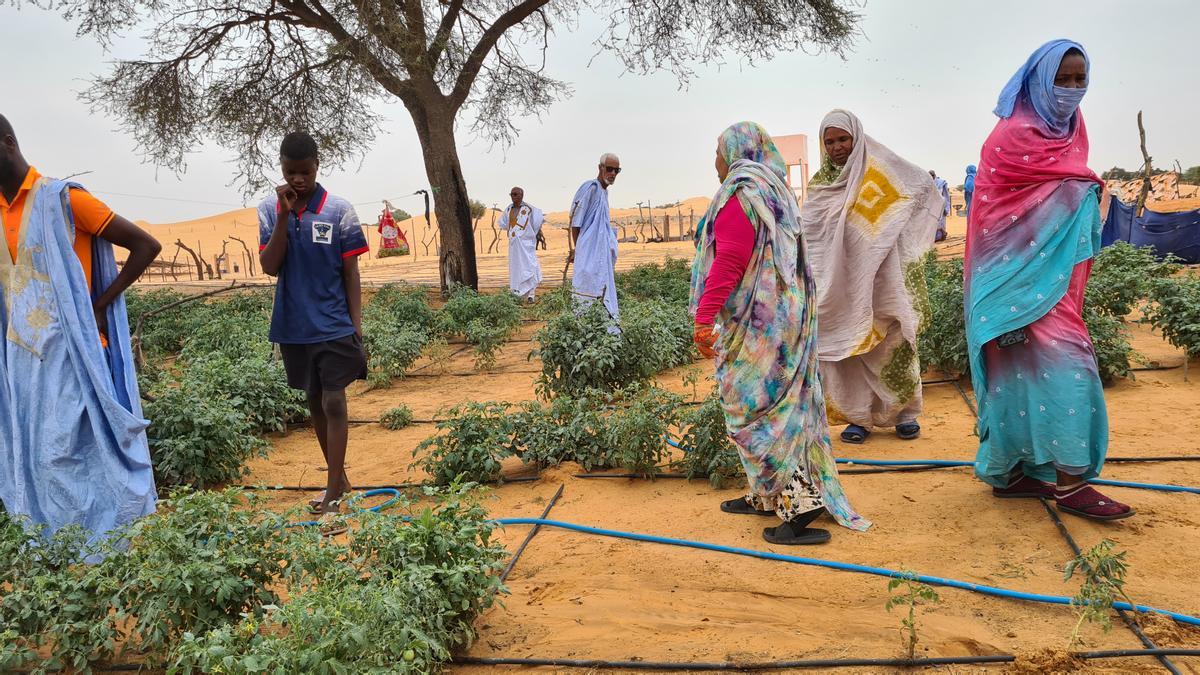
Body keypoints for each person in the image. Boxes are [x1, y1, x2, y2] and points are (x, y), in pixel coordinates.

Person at [966, 40, 1133, 521]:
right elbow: (997, 212)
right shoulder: (1011, 136)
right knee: (1066, 364)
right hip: (1008, 281)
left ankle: (1014, 472)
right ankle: (1071, 482)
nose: (1073, 89)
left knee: (1027, 371)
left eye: (1081, 79)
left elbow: (1064, 184)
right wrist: (1084, 189)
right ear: (1038, 80)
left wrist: (1080, 189)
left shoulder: (1072, 129)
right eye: (1064, 79)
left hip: (1052, 280)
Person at [691, 121, 870, 545]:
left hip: (760, 331)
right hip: (780, 323)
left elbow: (732, 258)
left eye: (718, 151)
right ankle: (765, 495)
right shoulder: (774, 191)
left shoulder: (742, 194)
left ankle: (801, 507)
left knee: (760, 413)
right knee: (776, 409)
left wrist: (704, 317)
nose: (715, 161)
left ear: (737, 151)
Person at [0, 113, 161, 543]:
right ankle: (57, 544)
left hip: (75, 351)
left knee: (81, 450)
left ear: (8, 144)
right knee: (39, 453)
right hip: (23, 357)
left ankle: (111, 539)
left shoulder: (62, 200)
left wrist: (101, 306)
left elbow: (146, 245)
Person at [800, 110, 941, 445]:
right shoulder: (821, 186)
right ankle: (858, 418)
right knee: (850, 351)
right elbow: (813, 235)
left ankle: (905, 414)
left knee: (892, 344)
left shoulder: (879, 174)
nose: (836, 147)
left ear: (857, 138)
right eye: (829, 141)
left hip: (882, 278)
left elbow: (916, 188)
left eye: (843, 139)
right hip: (840, 284)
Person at [259, 132, 369, 527]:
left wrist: (356, 327)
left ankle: (334, 492)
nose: (298, 179)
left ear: (316, 166)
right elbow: (270, 266)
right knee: (314, 400)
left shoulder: (339, 210)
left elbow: (351, 273)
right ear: (282, 169)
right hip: (295, 326)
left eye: (304, 172)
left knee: (334, 401)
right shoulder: (270, 210)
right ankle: (338, 483)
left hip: (335, 323)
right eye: (291, 172)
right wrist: (285, 215)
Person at [569, 153, 620, 318]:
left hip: (600, 252)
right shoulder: (590, 188)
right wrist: (580, 250)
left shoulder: (604, 193)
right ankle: (583, 326)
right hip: (587, 252)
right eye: (610, 169)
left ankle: (604, 327)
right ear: (600, 168)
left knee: (602, 286)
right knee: (587, 288)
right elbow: (576, 222)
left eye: (616, 170)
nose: (612, 173)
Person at [498, 186, 544, 302]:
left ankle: (531, 294)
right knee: (516, 268)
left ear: (521, 195)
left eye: (515, 194)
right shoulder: (508, 209)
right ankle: (517, 293)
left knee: (530, 266)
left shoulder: (529, 209)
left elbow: (537, 222)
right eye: (511, 194)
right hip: (514, 245)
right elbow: (503, 223)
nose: (513, 197)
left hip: (526, 244)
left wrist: (528, 235)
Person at [930, 170, 951, 242]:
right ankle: (935, 237)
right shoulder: (929, 183)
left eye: (932, 176)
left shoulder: (941, 183)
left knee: (940, 222)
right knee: (933, 222)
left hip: (941, 206)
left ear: (934, 175)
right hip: (932, 206)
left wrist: (946, 207)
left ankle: (942, 236)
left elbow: (946, 195)